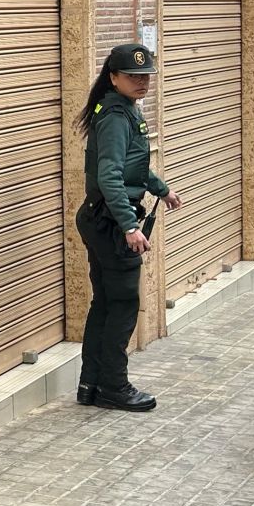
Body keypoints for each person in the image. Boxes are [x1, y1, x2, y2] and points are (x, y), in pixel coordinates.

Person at [73, 43, 181, 412]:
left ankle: (91, 385)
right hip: (111, 223)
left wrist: (160, 189)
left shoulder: (119, 109)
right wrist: (130, 226)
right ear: (113, 77)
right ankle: (114, 388)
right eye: (133, 76)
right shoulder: (117, 116)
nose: (141, 82)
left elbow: (132, 167)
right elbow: (110, 176)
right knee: (122, 304)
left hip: (100, 218)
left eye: (146, 76)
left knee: (105, 303)